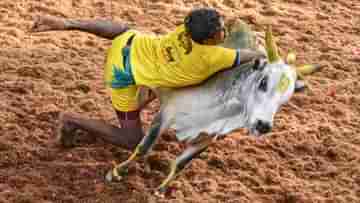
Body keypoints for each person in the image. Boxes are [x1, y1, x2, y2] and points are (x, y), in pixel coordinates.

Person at [31, 8, 264, 150]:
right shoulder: (211, 58)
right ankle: (72, 120)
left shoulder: (187, 28)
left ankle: (70, 23)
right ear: (209, 40)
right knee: (132, 139)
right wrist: (262, 51)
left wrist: (67, 24)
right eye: (219, 32)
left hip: (132, 44)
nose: (223, 32)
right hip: (121, 75)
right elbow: (252, 55)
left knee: (125, 30)